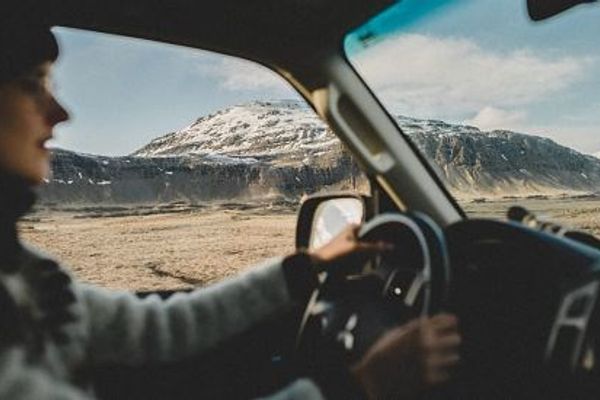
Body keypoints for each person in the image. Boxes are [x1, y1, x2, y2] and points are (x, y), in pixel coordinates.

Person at [0, 7, 461, 400]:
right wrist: (360, 386)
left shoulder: (25, 274)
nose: (61, 113)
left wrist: (308, 265)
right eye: (32, 84)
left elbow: (162, 327)